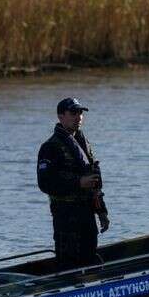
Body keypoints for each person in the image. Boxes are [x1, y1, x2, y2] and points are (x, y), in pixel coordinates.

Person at [37, 97, 109, 269]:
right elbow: (45, 182)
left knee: (89, 257)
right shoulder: (50, 147)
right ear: (61, 116)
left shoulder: (84, 144)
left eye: (80, 113)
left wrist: (101, 211)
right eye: (73, 113)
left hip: (87, 213)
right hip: (66, 215)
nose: (78, 117)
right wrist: (78, 182)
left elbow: (94, 182)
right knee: (68, 262)